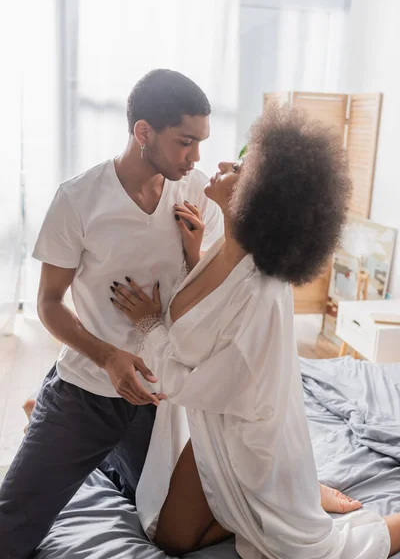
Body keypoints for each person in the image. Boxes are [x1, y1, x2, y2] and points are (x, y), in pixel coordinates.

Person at [109, 105, 400, 559]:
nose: (222, 164)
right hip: (214, 428)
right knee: (169, 536)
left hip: (251, 446)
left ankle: (382, 523)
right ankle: (301, 492)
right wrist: (191, 252)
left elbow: (188, 383)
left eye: (240, 168)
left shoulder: (261, 295)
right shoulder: (224, 245)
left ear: (261, 197)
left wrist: (149, 325)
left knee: (305, 552)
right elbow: (204, 321)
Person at [0, 69, 224, 559]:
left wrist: (194, 252)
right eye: (185, 141)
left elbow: (207, 295)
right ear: (143, 132)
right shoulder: (78, 199)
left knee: (184, 515)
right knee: (10, 530)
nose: (196, 157)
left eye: (201, 142)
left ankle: (104, 459)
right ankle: (50, 412)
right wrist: (108, 357)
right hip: (88, 391)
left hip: (162, 395)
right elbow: (48, 303)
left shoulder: (198, 193)